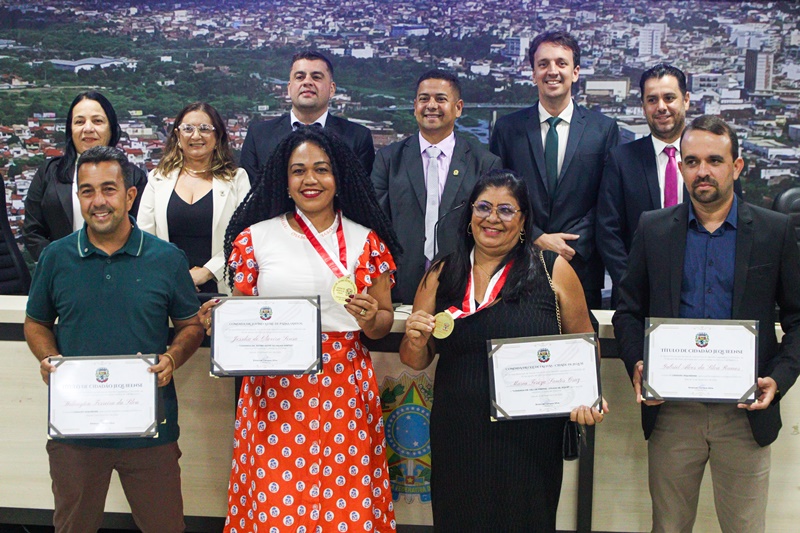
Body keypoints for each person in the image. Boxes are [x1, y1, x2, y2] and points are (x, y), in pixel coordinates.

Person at [199, 126, 400, 532]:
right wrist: (221, 318)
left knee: (343, 505)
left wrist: (368, 318)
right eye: (299, 171)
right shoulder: (254, 239)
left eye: (322, 170)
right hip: (274, 393)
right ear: (283, 180)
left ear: (339, 177)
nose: (311, 180)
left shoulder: (367, 242)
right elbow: (244, 314)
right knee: (276, 504)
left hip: (344, 388)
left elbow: (381, 325)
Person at [613, 115, 800, 532]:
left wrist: (779, 378)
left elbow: (798, 318)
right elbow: (627, 311)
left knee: (745, 527)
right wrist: (637, 365)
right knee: (670, 525)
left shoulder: (775, 231)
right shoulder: (654, 228)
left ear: (736, 167)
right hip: (673, 412)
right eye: (692, 160)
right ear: (680, 167)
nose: (703, 171)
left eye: (714, 160)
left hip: (746, 412)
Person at [400, 169, 605, 531]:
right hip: (457, 433)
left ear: (524, 221)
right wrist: (415, 339)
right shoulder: (443, 272)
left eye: (506, 210)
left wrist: (590, 397)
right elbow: (416, 359)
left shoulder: (551, 270)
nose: (492, 218)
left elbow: (585, 347)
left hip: (529, 440)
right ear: (469, 217)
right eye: (483, 207)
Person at [24, 146, 204, 533]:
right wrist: (48, 357)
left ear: (130, 196)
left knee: (165, 527)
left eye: (108, 189)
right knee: (74, 526)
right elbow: (36, 323)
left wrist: (172, 358)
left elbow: (191, 326)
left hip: (151, 431)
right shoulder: (56, 257)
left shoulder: (167, 258)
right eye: (87, 191)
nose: (98, 201)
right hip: (75, 431)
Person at [490, 31, 619, 310]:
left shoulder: (603, 130)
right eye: (543, 64)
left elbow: (608, 200)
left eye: (561, 63)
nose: (552, 71)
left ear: (575, 72)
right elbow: (497, 197)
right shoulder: (508, 129)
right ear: (533, 72)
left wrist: (568, 247)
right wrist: (535, 237)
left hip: (580, 264)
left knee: (578, 348)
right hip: (518, 262)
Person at [596, 64, 745, 306]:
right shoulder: (621, 160)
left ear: (686, 100)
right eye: (652, 100)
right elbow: (608, 232)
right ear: (643, 106)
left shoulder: (715, 160)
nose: (661, 107)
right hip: (635, 297)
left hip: (705, 294)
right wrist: (631, 284)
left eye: (669, 98)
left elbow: (734, 220)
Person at [372, 69, 500, 304]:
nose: (431, 105)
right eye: (424, 99)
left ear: (458, 108)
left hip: (463, 285)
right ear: (415, 106)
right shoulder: (388, 160)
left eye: (441, 99)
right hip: (399, 286)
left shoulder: (484, 163)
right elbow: (376, 225)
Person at [137, 102, 250, 295]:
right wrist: (177, 277)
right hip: (168, 289)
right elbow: (145, 238)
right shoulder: (158, 178)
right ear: (177, 137)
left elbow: (244, 237)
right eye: (188, 129)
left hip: (221, 287)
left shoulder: (237, 179)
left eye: (205, 129)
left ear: (218, 136)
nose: (196, 135)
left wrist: (207, 272)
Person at [23, 91, 147, 262]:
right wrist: (61, 263)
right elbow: (32, 231)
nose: (88, 129)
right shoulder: (48, 173)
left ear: (111, 128)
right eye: (79, 122)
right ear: (70, 129)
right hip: (61, 272)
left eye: (97, 121)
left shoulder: (134, 176)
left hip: (118, 272)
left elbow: (140, 231)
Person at [240, 50, 375, 183]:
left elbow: (361, 197)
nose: (307, 82)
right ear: (289, 88)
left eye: (316, 77)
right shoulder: (258, 136)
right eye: (300, 77)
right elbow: (251, 195)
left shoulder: (358, 138)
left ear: (332, 89)